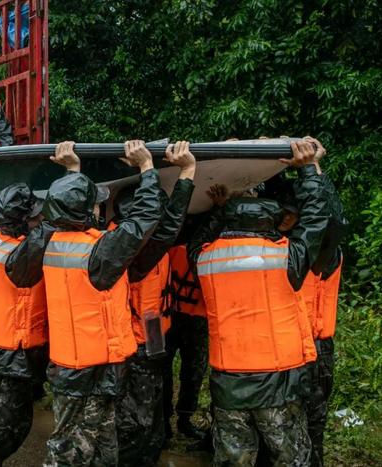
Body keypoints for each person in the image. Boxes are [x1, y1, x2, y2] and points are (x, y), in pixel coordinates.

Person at [189, 140, 329, 466]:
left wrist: (221, 210)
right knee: (291, 458)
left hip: (228, 381)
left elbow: (197, 240)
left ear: (229, 222)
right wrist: (308, 169)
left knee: (233, 459)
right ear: (269, 221)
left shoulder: (206, 261)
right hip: (278, 381)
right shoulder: (286, 257)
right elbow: (316, 221)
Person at [41, 140, 163, 466]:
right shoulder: (99, 254)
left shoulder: (52, 240)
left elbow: (69, 208)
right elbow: (145, 220)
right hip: (90, 372)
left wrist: (72, 170)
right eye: (94, 205)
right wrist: (147, 166)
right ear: (85, 212)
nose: (99, 209)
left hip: (75, 365)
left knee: (100, 444)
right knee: (72, 451)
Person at [264, 137, 346, 467]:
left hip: (313, 351)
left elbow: (332, 220)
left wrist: (312, 170)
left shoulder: (318, 253)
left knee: (310, 429)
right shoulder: (278, 250)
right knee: (276, 432)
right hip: (280, 350)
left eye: (289, 215)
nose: (283, 219)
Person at [113, 141, 197, 466]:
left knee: (149, 418)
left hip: (151, 340)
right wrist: (187, 173)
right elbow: (170, 224)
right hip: (138, 348)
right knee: (137, 423)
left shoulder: (128, 241)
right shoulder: (134, 252)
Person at [0, 183, 49, 467]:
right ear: (21, 221)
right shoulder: (16, 254)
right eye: (35, 215)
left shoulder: (6, 240)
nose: (39, 219)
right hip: (3, 356)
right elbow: (42, 238)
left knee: (15, 426)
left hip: (9, 353)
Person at [162, 217, 210, 443]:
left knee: (192, 373)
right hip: (171, 317)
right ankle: (166, 420)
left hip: (196, 319)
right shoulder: (172, 250)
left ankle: (181, 420)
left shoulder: (209, 252)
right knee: (168, 371)